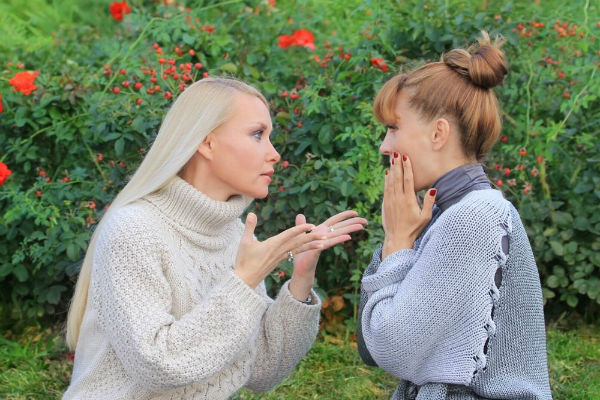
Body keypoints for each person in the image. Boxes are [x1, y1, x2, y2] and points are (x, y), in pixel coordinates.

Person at [63, 77, 367, 399]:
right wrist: (244, 280)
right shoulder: (133, 230)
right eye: (257, 134)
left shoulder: (232, 231)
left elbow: (262, 368)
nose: (274, 153)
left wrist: (301, 281)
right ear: (207, 144)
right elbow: (157, 364)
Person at [357, 32, 552, 399]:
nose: (384, 146)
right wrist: (396, 240)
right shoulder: (444, 215)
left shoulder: (475, 218)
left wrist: (397, 243)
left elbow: (390, 348)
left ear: (438, 133)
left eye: (393, 128)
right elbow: (369, 347)